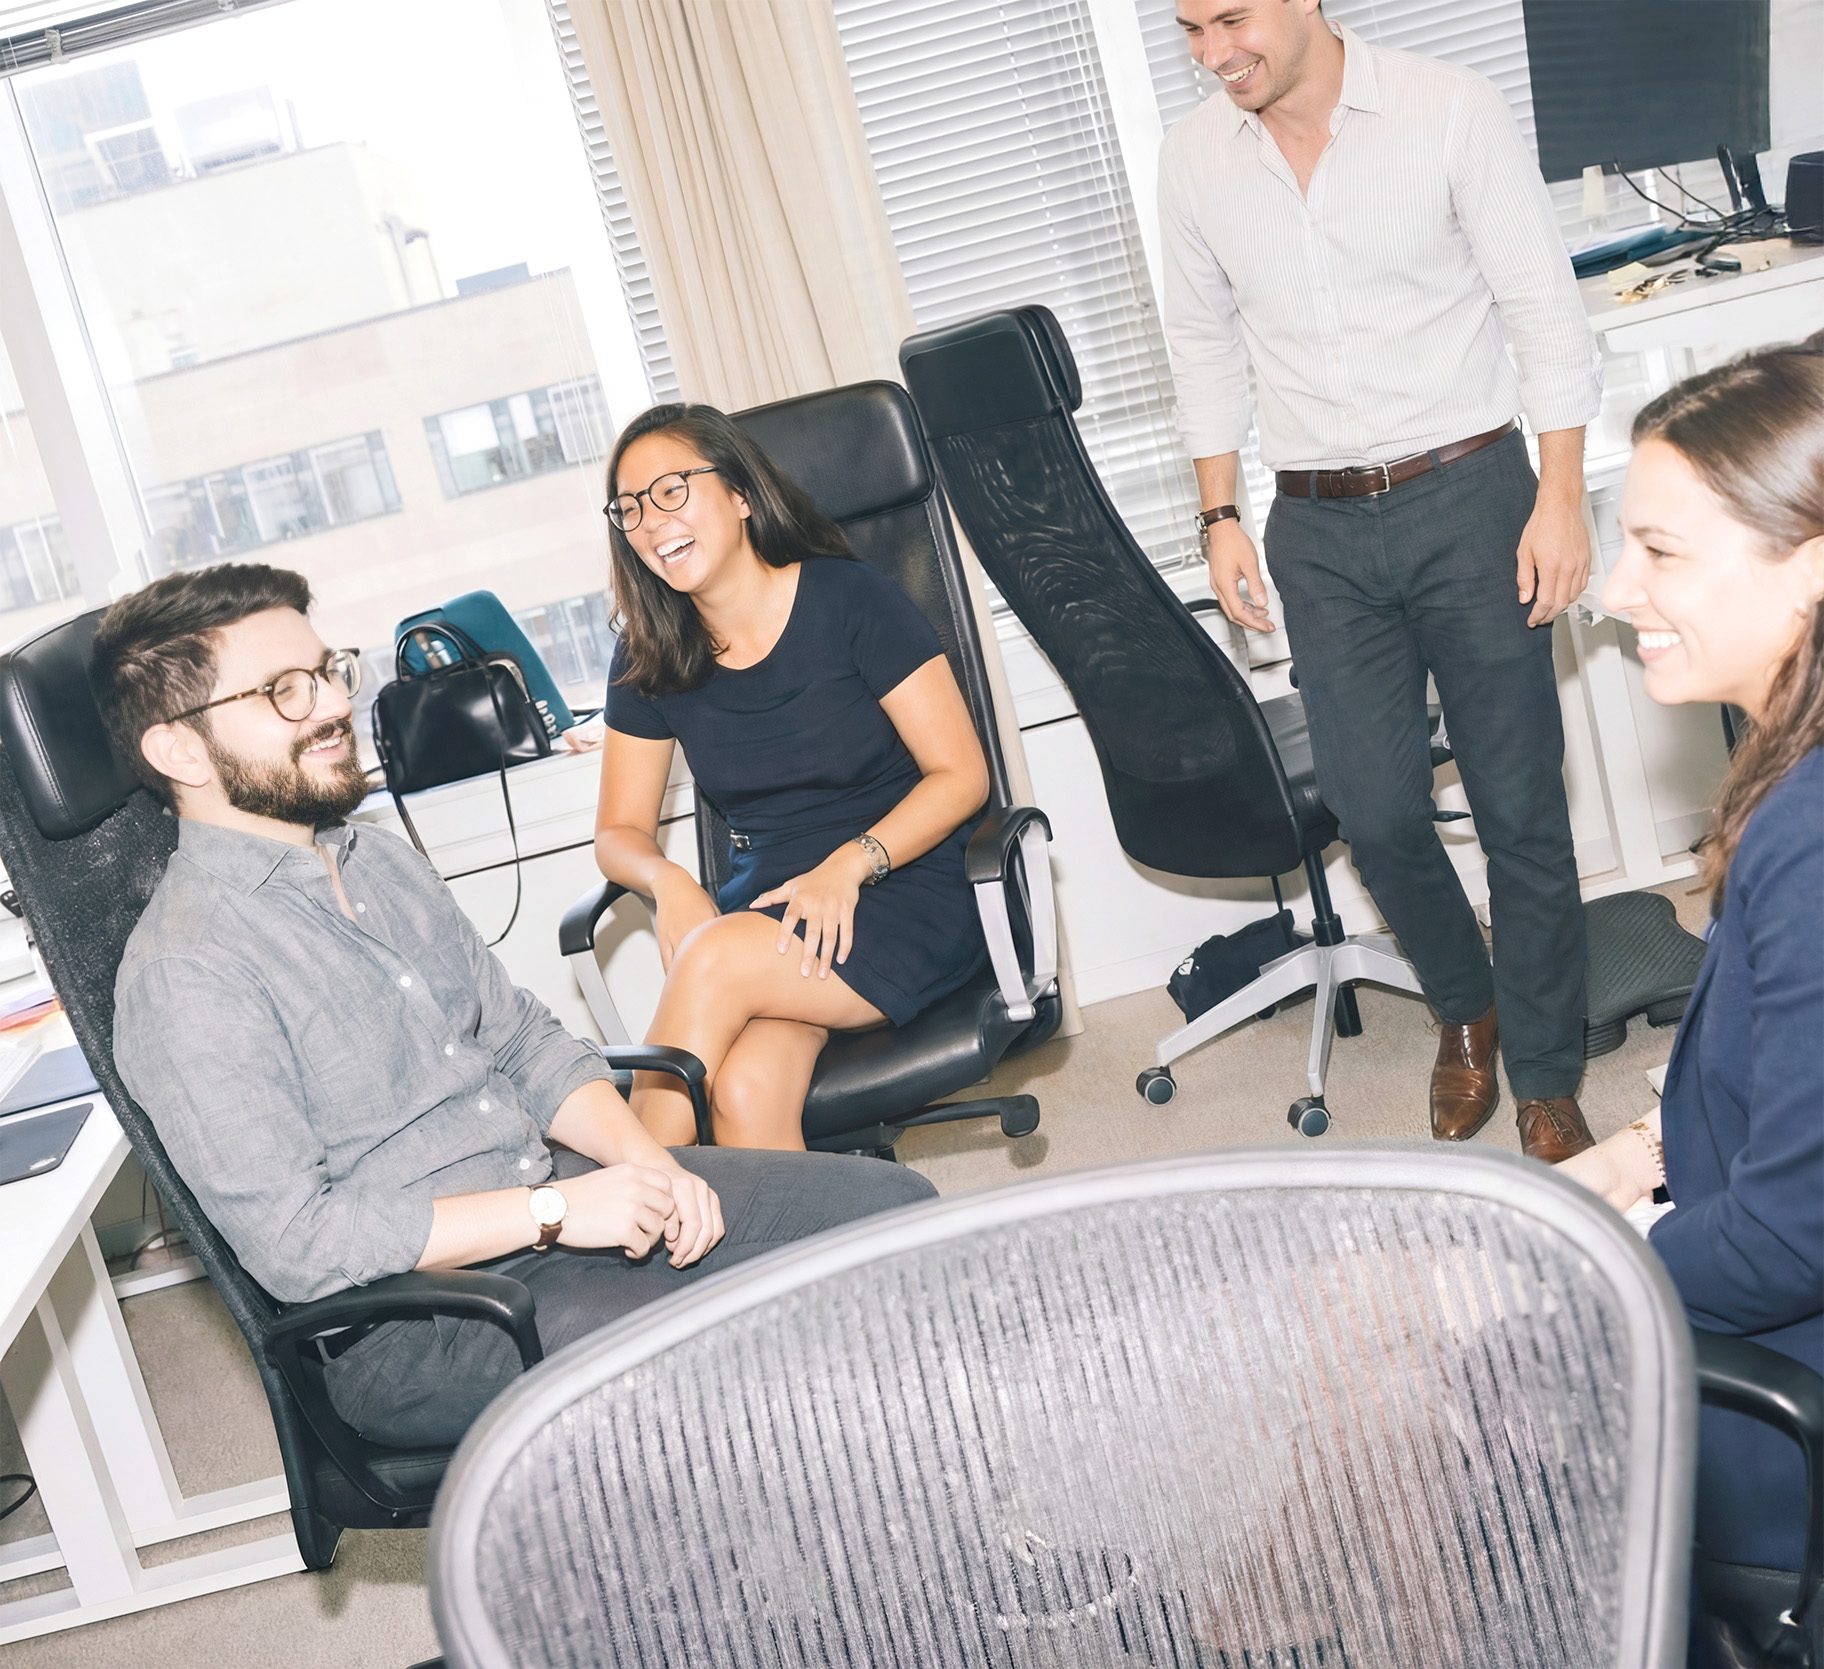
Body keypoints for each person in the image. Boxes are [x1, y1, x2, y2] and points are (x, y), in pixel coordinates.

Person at [93, 563, 935, 1449]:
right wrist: (561, 1215)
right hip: (424, 1324)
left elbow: (523, 1041)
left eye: (329, 671)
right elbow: (300, 1241)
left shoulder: (375, 860)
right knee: (761, 1363)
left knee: (897, 1213)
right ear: (179, 750)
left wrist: (652, 1167)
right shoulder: (187, 967)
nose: (334, 706)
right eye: (284, 692)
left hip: (551, 1194)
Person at [1159, 0, 1602, 1162]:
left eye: (1231, 20)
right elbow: (1203, 345)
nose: (1214, 54)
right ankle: (1467, 1003)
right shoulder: (1196, 156)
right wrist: (1217, 515)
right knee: (1377, 810)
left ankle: (1550, 1072)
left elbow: (1542, 307)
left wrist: (1560, 494)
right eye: (1191, 30)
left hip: (1473, 494)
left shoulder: (1447, 109)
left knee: (1519, 807)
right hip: (1316, 525)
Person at [1554, 338, 1824, 1611]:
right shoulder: (1794, 786)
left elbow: (1788, 1236)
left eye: (1660, 550)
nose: (1612, 589)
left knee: (1418, 1351)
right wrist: (1635, 1155)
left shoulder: (1815, 839)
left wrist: (1580, 1260)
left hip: (1785, 1418)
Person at [594, 404, 991, 1150]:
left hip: (900, 883)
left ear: (740, 494)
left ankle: (632, 1202)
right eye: (630, 507)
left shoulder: (850, 599)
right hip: (777, 914)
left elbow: (961, 775)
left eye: (673, 489)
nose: (651, 520)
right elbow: (617, 832)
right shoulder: (649, 655)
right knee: (744, 1091)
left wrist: (848, 865)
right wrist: (670, 881)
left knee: (712, 956)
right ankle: (808, 1264)